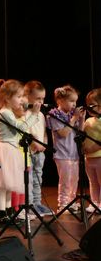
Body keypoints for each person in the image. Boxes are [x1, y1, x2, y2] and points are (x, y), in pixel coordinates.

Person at [0, 79, 41, 226]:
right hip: (4, 150)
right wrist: (33, 114)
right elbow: (20, 127)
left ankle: (9, 213)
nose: (21, 100)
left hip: (12, 150)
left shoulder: (10, 112)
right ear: (7, 98)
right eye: (18, 97)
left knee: (9, 187)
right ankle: (1, 216)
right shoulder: (5, 112)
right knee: (3, 187)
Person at [46, 85, 85, 213]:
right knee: (65, 181)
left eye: (75, 101)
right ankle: (63, 205)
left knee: (74, 180)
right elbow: (63, 133)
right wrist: (74, 118)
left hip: (74, 153)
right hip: (62, 154)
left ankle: (71, 202)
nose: (74, 104)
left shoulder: (72, 115)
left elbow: (80, 132)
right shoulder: (54, 115)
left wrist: (82, 118)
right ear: (60, 101)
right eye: (71, 101)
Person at [24, 80, 52, 216]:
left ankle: (37, 203)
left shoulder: (41, 115)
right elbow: (26, 132)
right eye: (38, 98)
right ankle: (29, 205)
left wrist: (44, 143)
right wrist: (35, 144)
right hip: (29, 152)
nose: (41, 102)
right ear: (27, 96)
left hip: (40, 153)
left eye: (43, 98)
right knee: (28, 180)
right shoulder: (24, 113)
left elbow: (44, 132)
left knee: (38, 179)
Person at [82, 88, 101, 213]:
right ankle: (94, 203)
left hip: (99, 156)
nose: (89, 107)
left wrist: (93, 148)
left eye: (92, 105)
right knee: (93, 182)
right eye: (87, 104)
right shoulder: (88, 121)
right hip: (88, 157)